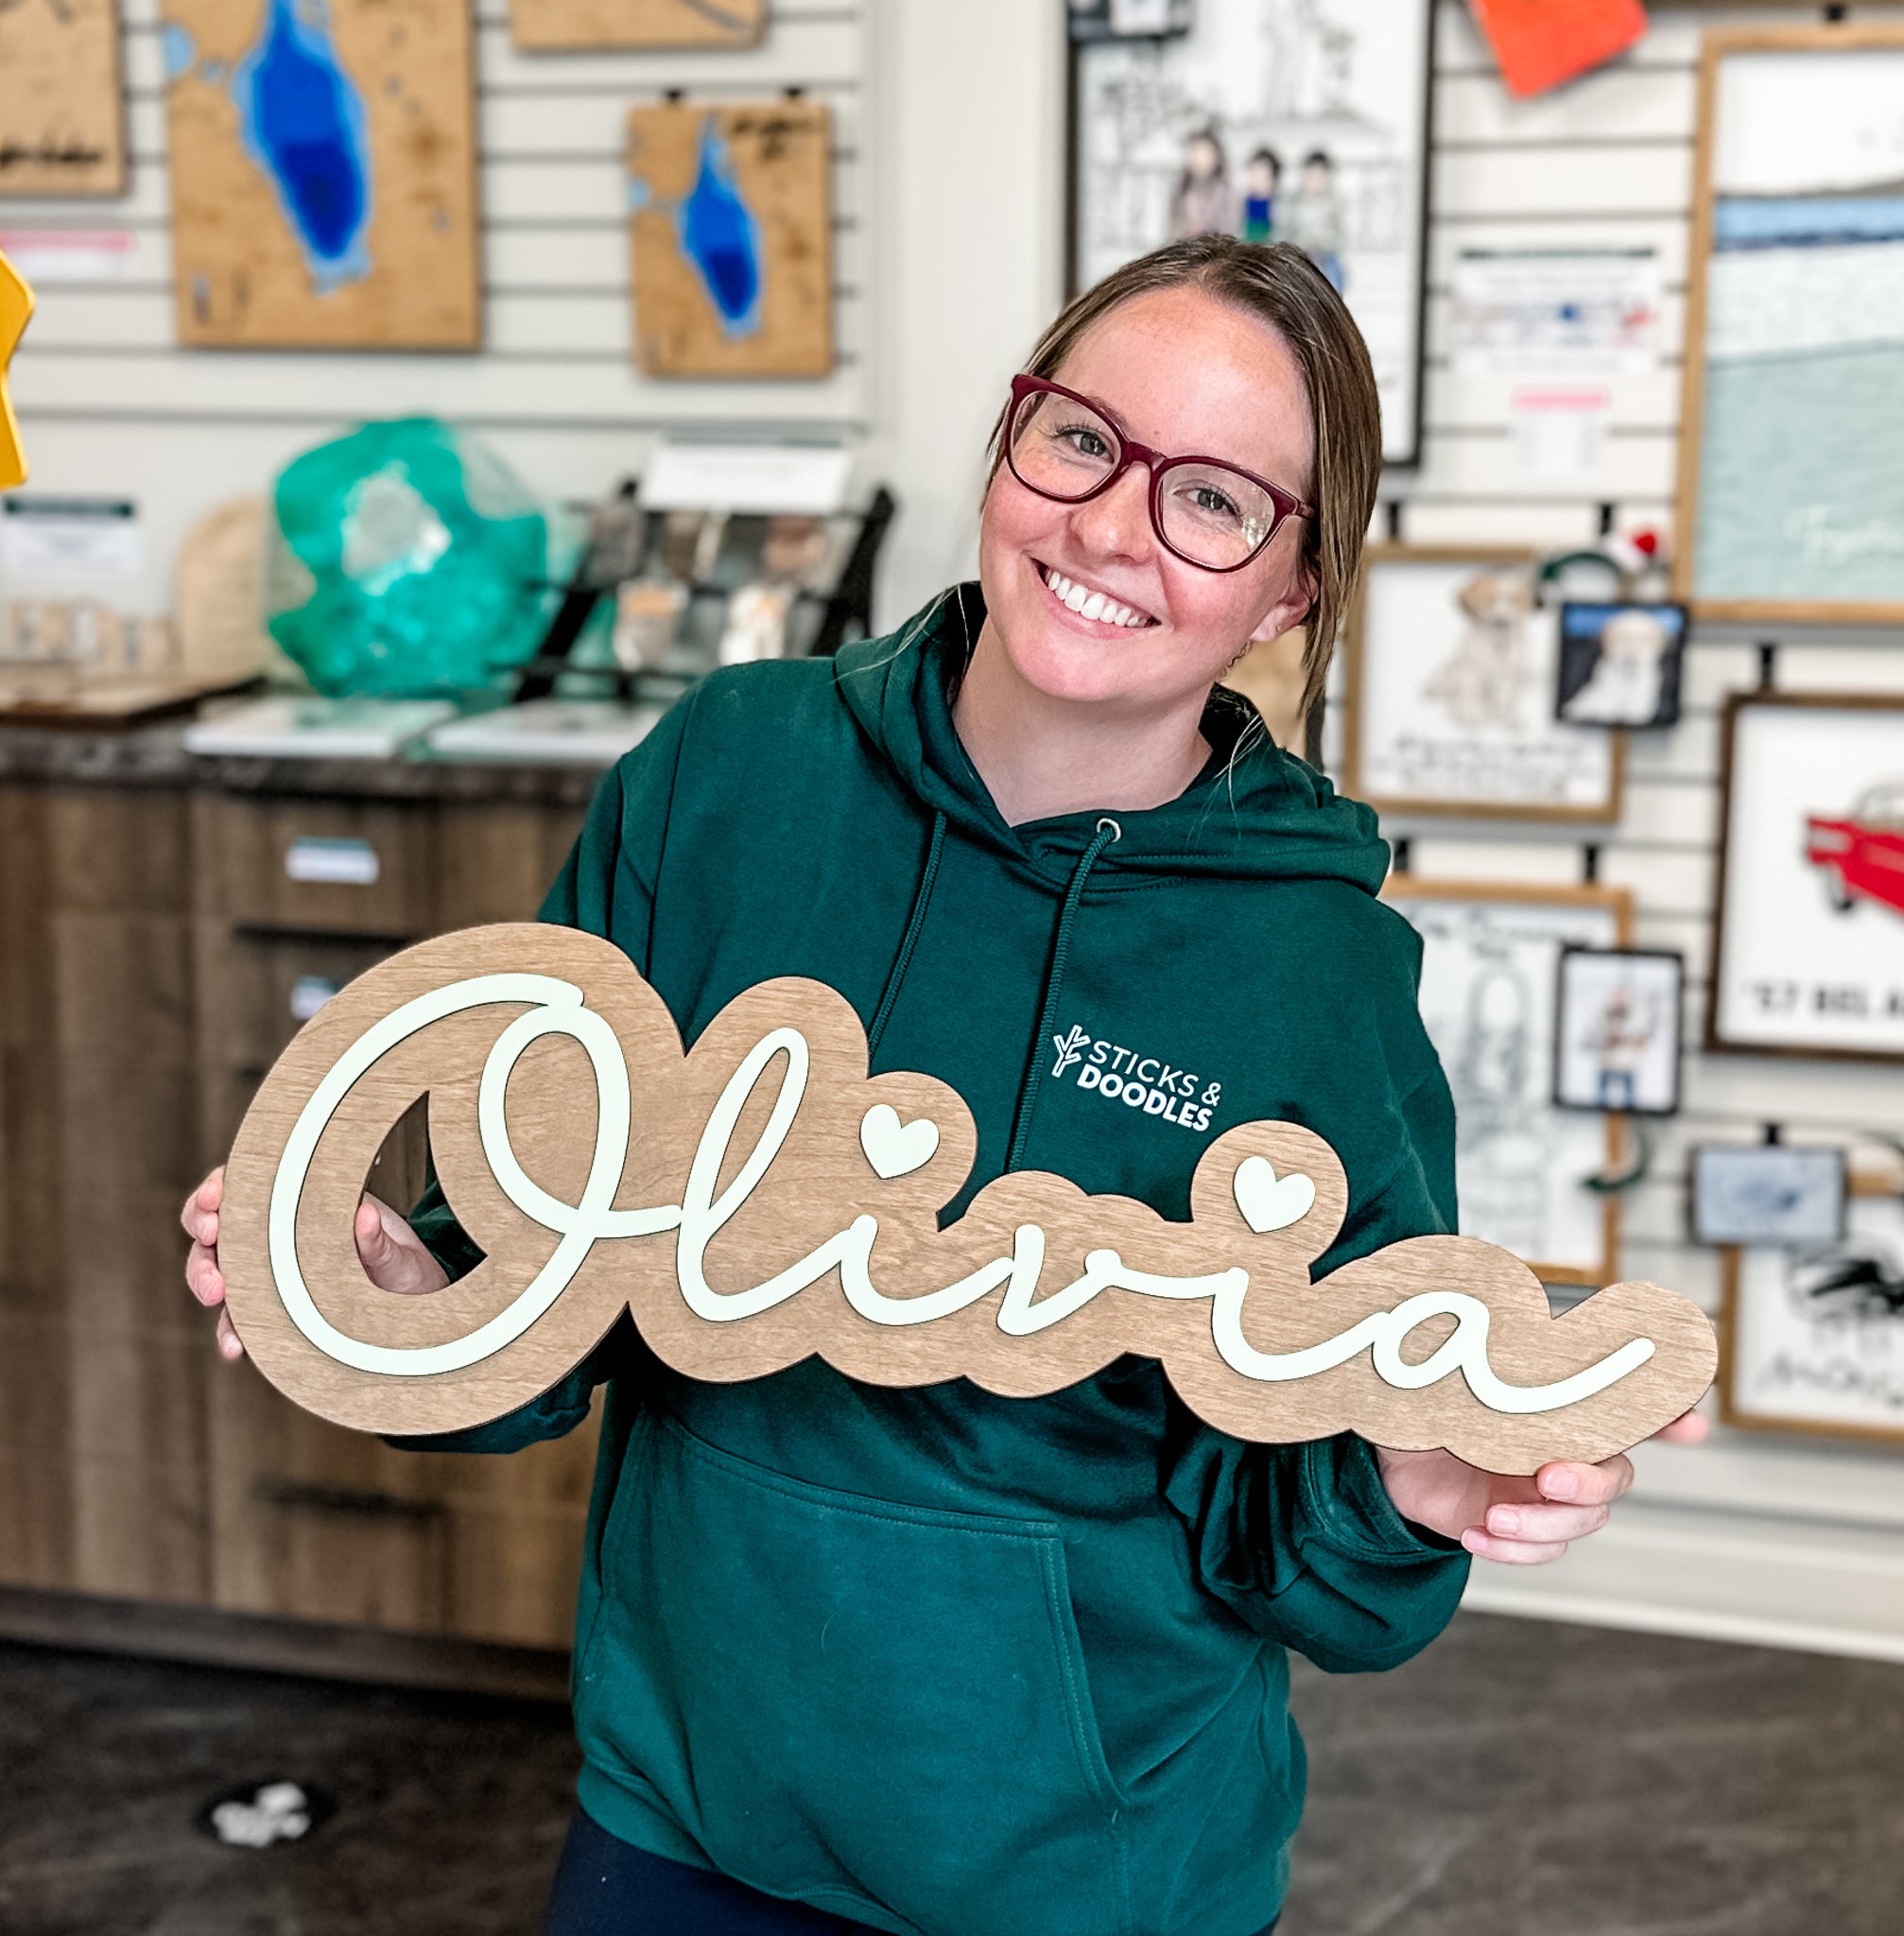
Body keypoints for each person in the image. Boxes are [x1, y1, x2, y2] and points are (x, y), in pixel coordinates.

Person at [182, 235, 1700, 1936]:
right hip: (680, 1812)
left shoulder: (1316, 974)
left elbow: (1315, 1557)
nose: (1112, 523)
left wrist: (1407, 1484)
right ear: (1011, 436)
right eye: (1080, 439)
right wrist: (413, 1287)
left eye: (1210, 498)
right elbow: (547, 1277)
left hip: (1085, 1873)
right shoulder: (725, 775)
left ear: (1290, 587)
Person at [1284, 148, 1344, 293]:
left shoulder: (1333, 203)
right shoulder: (1295, 202)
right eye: (1310, 176)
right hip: (1302, 253)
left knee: (1333, 273)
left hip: (1326, 253)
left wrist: (1325, 244)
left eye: (1319, 177)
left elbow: (1339, 234)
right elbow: (1289, 230)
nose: (1314, 182)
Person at [1169, 128, 1238, 241]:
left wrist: (1204, 228)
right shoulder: (1181, 189)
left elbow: (1230, 230)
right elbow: (1172, 225)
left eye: (1205, 153)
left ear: (1217, 157)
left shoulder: (1225, 192)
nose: (1200, 158)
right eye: (1196, 152)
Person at [1241, 147, 1281, 244]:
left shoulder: (1280, 206)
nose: (1257, 181)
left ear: (1273, 179)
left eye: (1263, 176)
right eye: (1254, 175)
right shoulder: (1241, 204)